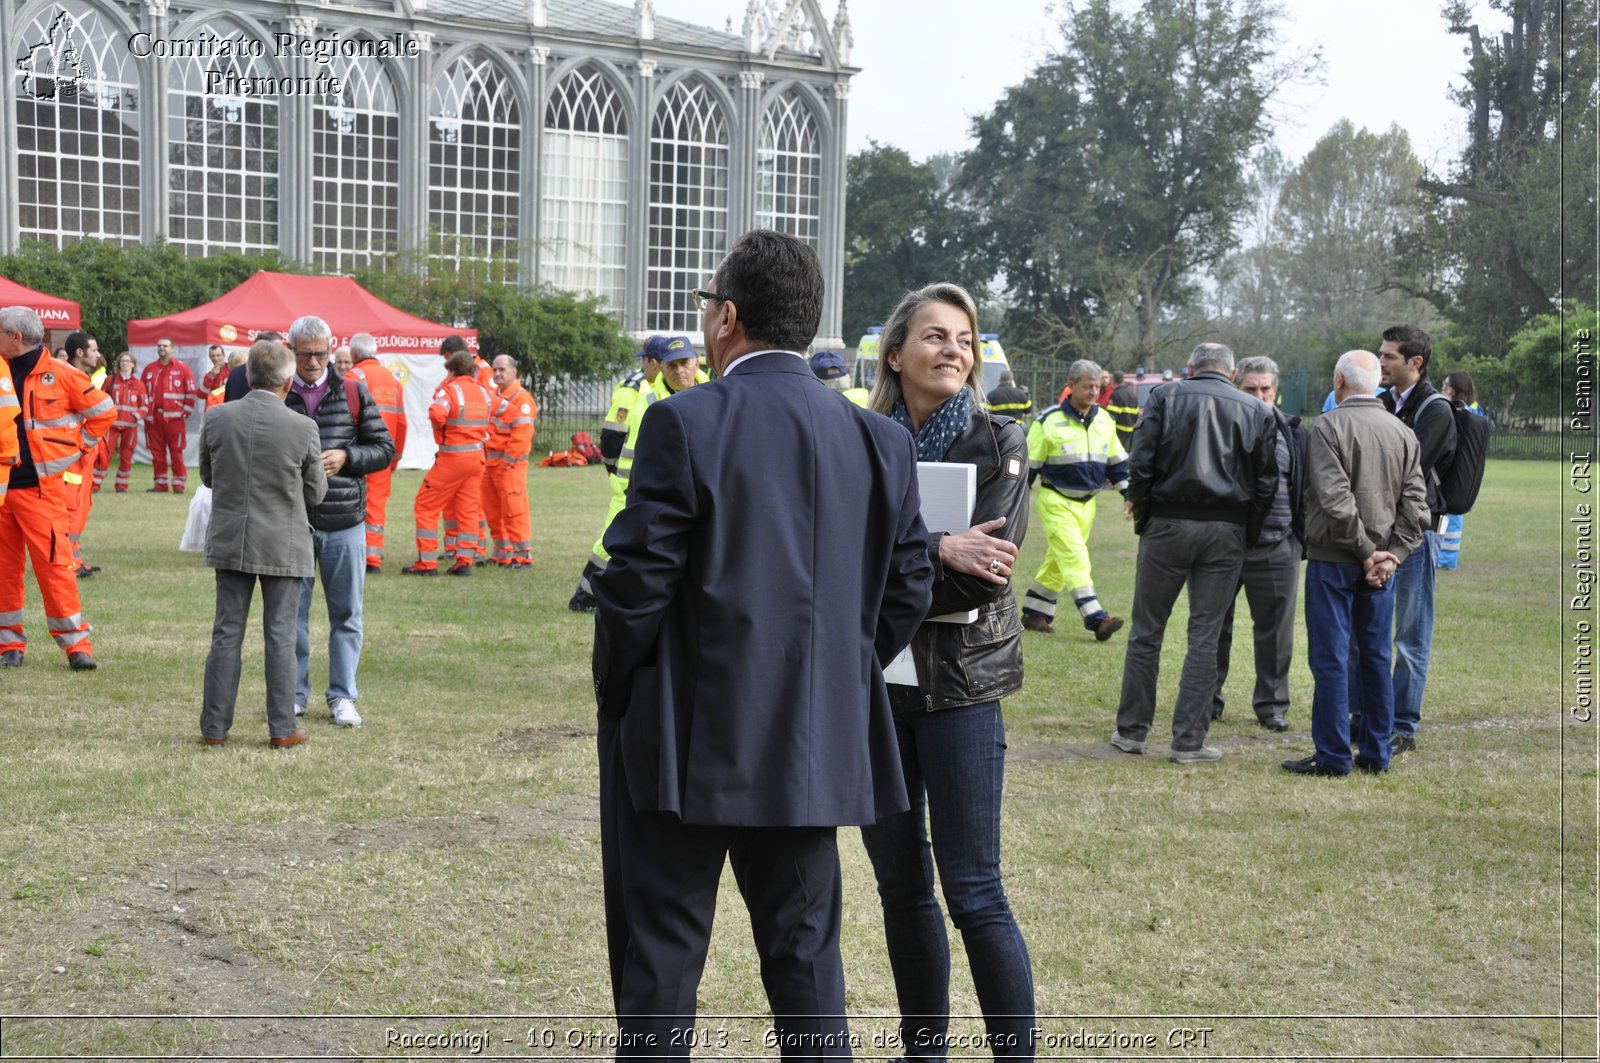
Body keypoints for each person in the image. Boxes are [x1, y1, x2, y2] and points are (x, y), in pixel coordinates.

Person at [591, 230, 933, 1055]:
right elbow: (910, 583)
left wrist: (619, 687)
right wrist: (840, 671)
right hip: (812, 737)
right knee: (806, 958)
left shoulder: (685, 421)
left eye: (708, 306)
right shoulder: (878, 437)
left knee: (663, 963)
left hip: (688, 735)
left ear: (727, 319)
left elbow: (636, 584)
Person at [861, 282, 1035, 1060]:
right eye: (934, 335)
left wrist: (898, 563)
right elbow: (826, 558)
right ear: (895, 354)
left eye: (963, 339)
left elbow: (982, 577)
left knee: (974, 892)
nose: (953, 350)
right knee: (901, 890)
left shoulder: (1001, 443)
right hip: (873, 690)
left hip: (962, 690)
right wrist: (936, 546)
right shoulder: (859, 440)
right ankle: (923, 1050)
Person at [1112, 343, 1277, 764]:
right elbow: (1265, 482)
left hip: (1168, 522)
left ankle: (1132, 732)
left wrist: (1145, 516)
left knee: (1146, 632)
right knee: (1204, 636)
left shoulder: (1166, 396)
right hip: (1226, 529)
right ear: (1233, 371)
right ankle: (1188, 741)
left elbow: (1141, 461)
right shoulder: (1256, 410)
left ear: (1190, 368)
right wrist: (1247, 531)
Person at [1283, 350, 1426, 776]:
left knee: (1331, 659)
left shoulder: (1326, 427)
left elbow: (1334, 501)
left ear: (1338, 383)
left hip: (1336, 559)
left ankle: (1332, 756)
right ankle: (1376, 754)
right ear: (1376, 385)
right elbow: (1417, 504)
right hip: (1380, 564)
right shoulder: (1403, 432)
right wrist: (1392, 557)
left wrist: (1369, 554)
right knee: (1376, 657)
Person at [198, 339, 327, 750]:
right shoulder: (303, 427)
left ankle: (214, 728)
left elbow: (207, 476)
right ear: (288, 382)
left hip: (233, 537)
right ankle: (282, 728)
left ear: (248, 375)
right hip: (283, 542)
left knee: (226, 633)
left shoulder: (217, 418)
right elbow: (316, 493)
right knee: (281, 635)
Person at [285, 315, 394, 727]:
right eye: (305, 354)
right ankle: (295, 693)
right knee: (291, 615)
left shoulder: (353, 391)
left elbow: (384, 447)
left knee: (346, 613)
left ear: (332, 350)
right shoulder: (279, 393)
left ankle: (343, 696)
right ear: (291, 351)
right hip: (293, 522)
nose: (313, 362)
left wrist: (348, 458)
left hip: (344, 521)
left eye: (320, 353)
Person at [1357, 325, 1457, 756]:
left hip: (1415, 536)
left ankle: (1403, 725)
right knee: (1369, 630)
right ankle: (1366, 716)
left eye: (1389, 356)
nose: (1381, 362)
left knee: (1410, 636)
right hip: (1375, 533)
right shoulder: (1381, 403)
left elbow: (1401, 470)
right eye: (1380, 355)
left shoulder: (1436, 410)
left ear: (1415, 363)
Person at [0, 306, 114, 670]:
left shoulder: (61, 374)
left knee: (56, 568)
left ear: (15, 338)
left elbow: (104, 412)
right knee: (4, 570)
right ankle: (9, 646)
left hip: (40, 491)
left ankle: (76, 645)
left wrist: (78, 446)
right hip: (2, 491)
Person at [568, 335, 703, 612]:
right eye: (672, 365)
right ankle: (585, 596)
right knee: (613, 541)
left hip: (684, 487)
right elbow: (626, 443)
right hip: (635, 485)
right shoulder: (649, 401)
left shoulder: (711, 390)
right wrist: (624, 481)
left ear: (695, 363)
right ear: (661, 368)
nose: (679, 371)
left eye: (684, 363)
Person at [1212, 356, 1307, 732]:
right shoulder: (1219, 426)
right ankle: (1208, 699)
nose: (1260, 395)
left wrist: (1298, 538)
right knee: (1213, 627)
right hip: (1225, 544)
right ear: (1237, 387)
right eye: (1251, 388)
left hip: (1279, 543)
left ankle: (1272, 705)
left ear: (1276, 390)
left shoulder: (1294, 431)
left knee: (1277, 633)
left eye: (1266, 388)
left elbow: (1306, 485)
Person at [1020, 358, 1128, 641]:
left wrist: (1131, 495)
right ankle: (1096, 618)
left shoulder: (1105, 420)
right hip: (1056, 501)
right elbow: (1028, 468)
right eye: (1087, 386)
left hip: (1088, 507)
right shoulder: (1047, 422)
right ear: (1070, 386)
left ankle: (1034, 611)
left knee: (1059, 560)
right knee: (1076, 558)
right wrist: (1017, 502)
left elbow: (1117, 465)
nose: (1094, 392)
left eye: (1096, 386)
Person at [404, 347, 489, 576]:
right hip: (476, 458)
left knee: (425, 506)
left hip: (452, 457)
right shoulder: (482, 391)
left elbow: (437, 413)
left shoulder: (449, 390)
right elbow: (504, 409)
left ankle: (427, 563)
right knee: (468, 509)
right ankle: (465, 561)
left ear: (451, 370)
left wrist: (442, 428)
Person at [345, 333, 406, 574]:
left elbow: (345, 417)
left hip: (357, 453)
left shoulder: (353, 377)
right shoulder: (393, 380)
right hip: (383, 455)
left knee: (352, 502)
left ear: (354, 355)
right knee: (377, 505)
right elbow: (402, 422)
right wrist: (396, 456)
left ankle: (354, 552)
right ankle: (373, 558)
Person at [482, 354, 537, 568]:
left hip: (509, 466)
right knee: (493, 511)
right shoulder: (496, 396)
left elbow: (522, 433)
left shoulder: (521, 399)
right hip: (492, 465)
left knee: (514, 511)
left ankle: (523, 555)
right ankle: (502, 553)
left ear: (514, 372)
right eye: (495, 369)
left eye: (502, 369)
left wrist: (507, 462)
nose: (497, 373)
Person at [57, 333, 103, 577]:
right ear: (80, 353)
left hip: (83, 460)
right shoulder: (70, 379)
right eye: (94, 350)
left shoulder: (81, 377)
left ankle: (74, 559)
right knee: (70, 513)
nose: (98, 354)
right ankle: (67, 565)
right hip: (73, 461)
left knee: (79, 511)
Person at [1435, 370, 1482, 570]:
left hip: (1453, 471)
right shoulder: (1475, 410)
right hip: (1465, 472)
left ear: (1454, 389)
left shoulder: (1455, 411)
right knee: (1452, 517)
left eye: (1445, 385)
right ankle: (1446, 556)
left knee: (1449, 517)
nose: (1442, 388)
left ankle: (1445, 558)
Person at [140, 337, 198, 493]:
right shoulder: (149, 369)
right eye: (159, 345)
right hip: (153, 419)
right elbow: (142, 393)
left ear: (172, 349)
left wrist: (185, 412)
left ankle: (179, 484)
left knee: (176, 452)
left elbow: (191, 393)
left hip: (174, 420)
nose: (161, 348)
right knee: (157, 453)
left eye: (165, 345)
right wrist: (144, 412)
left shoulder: (182, 369)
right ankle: (160, 484)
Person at [99, 353, 148, 493]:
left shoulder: (139, 384)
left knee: (126, 457)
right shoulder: (110, 380)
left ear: (133, 364)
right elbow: (102, 399)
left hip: (130, 426)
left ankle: (122, 486)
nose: (125, 363)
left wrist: (136, 416)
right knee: (104, 455)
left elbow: (145, 405)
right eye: (123, 361)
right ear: (119, 363)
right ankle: (95, 484)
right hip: (112, 425)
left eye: (128, 361)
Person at [1106, 371, 1139, 451]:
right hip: (1131, 435)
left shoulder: (1116, 395)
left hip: (1119, 435)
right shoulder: (1132, 395)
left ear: (1113, 380)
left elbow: (1111, 417)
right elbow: (1136, 415)